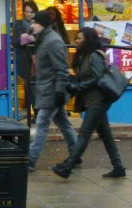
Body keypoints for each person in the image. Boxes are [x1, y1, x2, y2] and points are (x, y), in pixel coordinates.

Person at [52, 27, 126, 179]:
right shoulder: (83, 56)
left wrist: (77, 87)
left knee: (85, 133)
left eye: (80, 38)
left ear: (88, 40)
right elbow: (85, 77)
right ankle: (118, 167)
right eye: (77, 38)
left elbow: (97, 78)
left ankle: (68, 166)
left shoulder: (94, 56)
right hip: (92, 99)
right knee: (105, 134)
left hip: (99, 99)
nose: (76, 41)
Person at [27, 11, 78, 171]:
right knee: (63, 123)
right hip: (48, 89)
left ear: (42, 24)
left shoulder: (53, 41)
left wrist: (59, 92)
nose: (31, 25)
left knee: (41, 124)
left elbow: (61, 69)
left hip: (52, 90)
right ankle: (76, 153)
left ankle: (30, 160)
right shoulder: (43, 39)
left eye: (34, 22)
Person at [12, 1, 38, 119]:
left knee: (37, 86)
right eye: (26, 11)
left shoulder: (40, 24)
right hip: (25, 59)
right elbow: (15, 41)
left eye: (31, 11)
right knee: (30, 85)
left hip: (38, 59)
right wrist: (28, 39)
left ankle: (36, 112)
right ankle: (33, 112)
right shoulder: (19, 24)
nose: (29, 14)